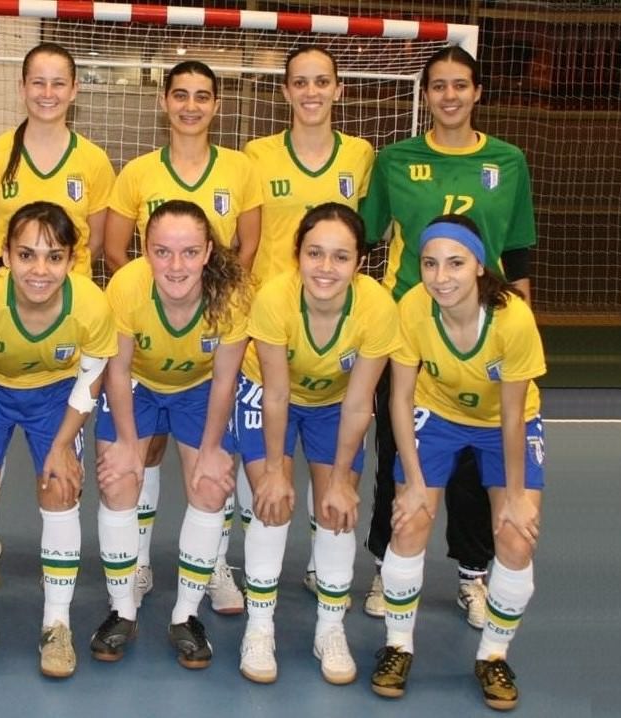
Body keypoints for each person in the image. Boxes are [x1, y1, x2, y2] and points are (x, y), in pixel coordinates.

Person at [360, 45, 537, 626]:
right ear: (426, 94)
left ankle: (472, 574)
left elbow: (517, 253)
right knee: (397, 453)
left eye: (460, 84)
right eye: (439, 85)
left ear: (477, 91)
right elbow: (364, 237)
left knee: (473, 464)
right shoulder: (395, 159)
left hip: (482, 328)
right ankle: (388, 565)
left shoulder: (508, 161)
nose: (450, 95)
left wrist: (520, 325)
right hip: (410, 329)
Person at [370, 215, 545, 711]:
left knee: (515, 535)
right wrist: (413, 482)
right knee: (409, 521)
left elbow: (512, 416)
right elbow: (400, 398)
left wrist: (515, 497)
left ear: (480, 266)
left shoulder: (513, 318)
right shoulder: (413, 307)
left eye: (455, 264)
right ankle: (398, 646)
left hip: (503, 422)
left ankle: (493, 656)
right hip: (438, 414)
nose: (441, 277)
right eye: (430, 264)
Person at [105, 60, 261, 616]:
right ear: (163, 101)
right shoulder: (137, 172)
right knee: (142, 451)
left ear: (217, 104)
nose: (190, 105)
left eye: (201, 95)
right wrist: (156, 296)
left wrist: (207, 298)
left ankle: (212, 563)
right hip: (150, 338)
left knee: (212, 467)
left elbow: (247, 247)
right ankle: (139, 561)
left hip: (211, 329)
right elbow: (115, 247)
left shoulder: (241, 168)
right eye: (180, 94)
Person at [0, 201, 116, 678]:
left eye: (54, 257)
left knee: (60, 487)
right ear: (5, 255)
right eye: (26, 255)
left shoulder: (92, 305)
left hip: (56, 393)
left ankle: (57, 625)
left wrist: (62, 446)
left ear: (72, 260)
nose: (40, 270)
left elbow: (91, 379)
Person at [238, 203, 399, 685]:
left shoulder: (377, 308)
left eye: (340, 256)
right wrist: (273, 470)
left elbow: (359, 403)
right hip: (270, 393)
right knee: (272, 501)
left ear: (359, 262)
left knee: (335, 508)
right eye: (315, 253)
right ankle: (259, 628)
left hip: (335, 404)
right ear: (298, 255)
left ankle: (330, 630)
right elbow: (277, 394)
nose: (326, 267)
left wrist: (343, 480)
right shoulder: (274, 298)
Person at [93, 199, 248, 668]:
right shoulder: (127, 286)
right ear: (145, 251)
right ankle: (122, 610)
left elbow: (225, 380)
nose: (176, 266)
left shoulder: (232, 297)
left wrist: (213, 448)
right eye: (162, 252)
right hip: (138, 386)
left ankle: (186, 616)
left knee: (210, 485)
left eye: (189, 252)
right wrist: (127, 445)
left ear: (208, 253)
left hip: (198, 390)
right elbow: (117, 370)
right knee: (119, 479)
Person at [243, 45, 375, 597]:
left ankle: (328, 572)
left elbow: (368, 234)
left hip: (332, 336)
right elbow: (247, 240)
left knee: (333, 483)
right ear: (285, 91)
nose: (312, 92)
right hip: (272, 331)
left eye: (323, 81)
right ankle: (247, 578)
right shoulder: (256, 155)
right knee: (262, 480)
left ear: (339, 89)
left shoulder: (362, 155)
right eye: (300, 82)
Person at [0, 42, 115, 277]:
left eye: (58, 84)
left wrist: (64, 277)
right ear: (22, 88)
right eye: (38, 83)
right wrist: (0, 278)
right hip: (5, 288)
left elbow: (95, 242)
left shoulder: (95, 160)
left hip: (71, 289)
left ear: (74, 89)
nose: (47, 93)